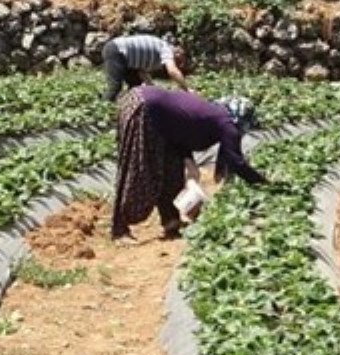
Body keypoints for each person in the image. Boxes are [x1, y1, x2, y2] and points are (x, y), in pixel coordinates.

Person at [111, 85, 267, 240]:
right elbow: (236, 162)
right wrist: (264, 184)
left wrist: (190, 163)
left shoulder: (214, 115)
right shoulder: (227, 124)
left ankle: (171, 222)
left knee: (172, 169)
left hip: (149, 110)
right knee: (139, 168)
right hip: (144, 108)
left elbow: (181, 133)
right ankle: (120, 229)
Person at [100, 33, 188, 102]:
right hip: (117, 50)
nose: (178, 64)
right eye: (179, 61)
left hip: (128, 60)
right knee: (115, 86)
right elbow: (172, 71)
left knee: (136, 87)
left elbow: (142, 72)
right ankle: (103, 109)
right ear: (177, 53)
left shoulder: (155, 55)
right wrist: (186, 89)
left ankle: (127, 107)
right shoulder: (167, 50)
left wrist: (155, 90)